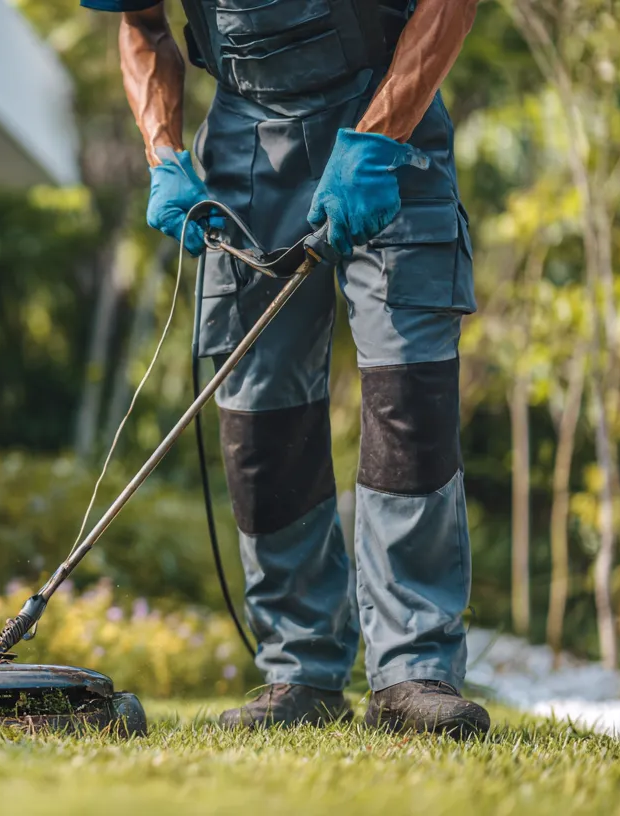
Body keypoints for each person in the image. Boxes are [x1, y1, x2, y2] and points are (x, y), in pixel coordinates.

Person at [83, 0, 489, 737]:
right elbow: (143, 23)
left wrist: (377, 138)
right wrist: (164, 155)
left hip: (388, 113)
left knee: (408, 393)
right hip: (246, 140)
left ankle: (413, 670)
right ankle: (301, 670)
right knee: (260, 417)